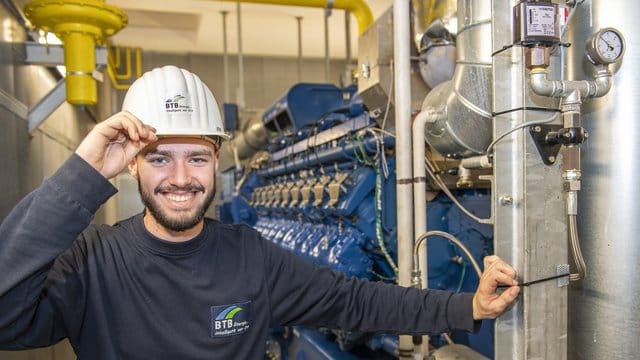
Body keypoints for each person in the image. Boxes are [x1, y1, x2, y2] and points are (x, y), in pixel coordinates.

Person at [0, 65, 520, 359]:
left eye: (196, 158)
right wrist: (81, 171)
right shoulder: (92, 261)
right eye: (160, 158)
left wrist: (466, 307)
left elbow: (357, 302)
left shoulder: (250, 257)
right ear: (131, 165)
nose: (181, 179)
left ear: (217, 160)